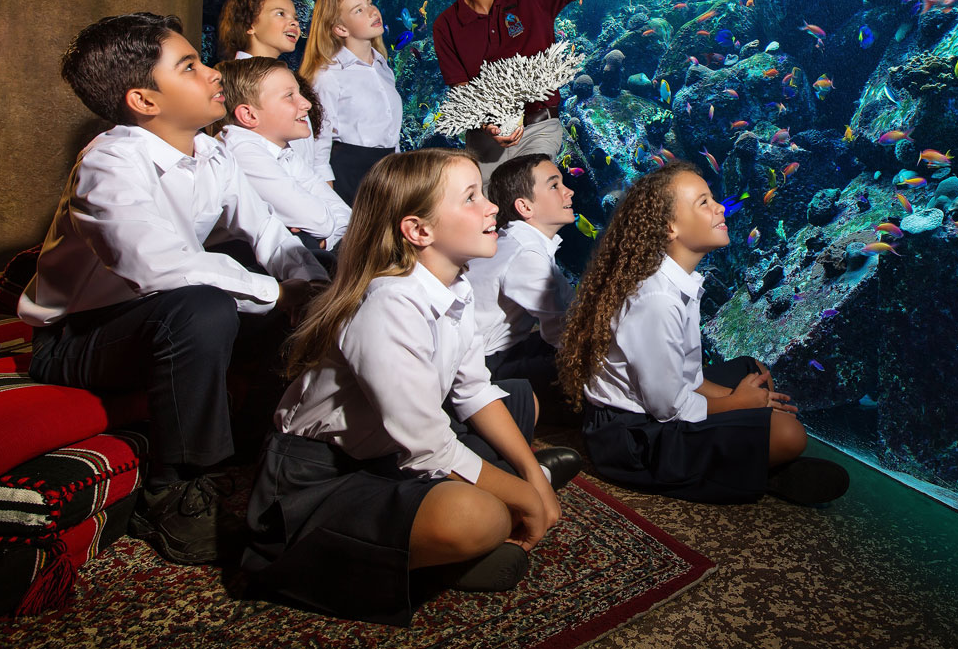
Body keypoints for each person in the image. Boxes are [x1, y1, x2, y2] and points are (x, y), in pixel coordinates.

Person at [18, 12, 329, 565]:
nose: (213, 73)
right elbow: (157, 267)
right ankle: (173, 486)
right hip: (80, 339)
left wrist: (311, 289)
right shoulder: (110, 163)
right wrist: (278, 295)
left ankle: (265, 432)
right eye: (190, 66)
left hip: (156, 314)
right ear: (144, 100)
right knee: (204, 305)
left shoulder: (211, 153)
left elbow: (267, 231)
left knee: (293, 276)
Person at [242, 149, 583, 623]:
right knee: (477, 517)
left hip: (384, 457)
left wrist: (528, 475)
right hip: (317, 477)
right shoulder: (388, 304)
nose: (491, 209)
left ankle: (467, 519)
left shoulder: (453, 288)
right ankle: (424, 554)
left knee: (518, 401)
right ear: (419, 231)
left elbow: (473, 391)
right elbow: (429, 448)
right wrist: (531, 496)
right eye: (471, 198)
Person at [555, 162, 849, 505]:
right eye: (704, 202)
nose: (720, 207)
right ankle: (757, 471)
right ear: (671, 227)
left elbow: (688, 375)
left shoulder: (679, 280)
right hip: (632, 439)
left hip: (656, 408)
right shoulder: (658, 299)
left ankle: (741, 461)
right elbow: (667, 406)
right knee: (789, 434)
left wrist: (738, 401)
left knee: (753, 370)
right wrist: (737, 403)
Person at [431, 0, 686, 186]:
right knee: (488, 208)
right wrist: (487, 124)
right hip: (484, 135)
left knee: (527, 188)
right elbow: (463, 90)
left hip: (539, 125)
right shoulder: (446, 26)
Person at [216, 57, 351, 258]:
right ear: (249, 115)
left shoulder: (284, 152)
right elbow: (319, 221)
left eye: (300, 93)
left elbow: (347, 219)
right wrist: (319, 229)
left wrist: (319, 235)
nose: (306, 104)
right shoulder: (241, 150)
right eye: (290, 96)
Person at [464, 153, 574, 391]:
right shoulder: (525, 251)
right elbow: (563, 333)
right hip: (483, 365)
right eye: (555, 185)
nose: (569, 191)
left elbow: (570, 305)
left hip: (496, 352)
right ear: (524, 207)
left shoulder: (521, 240)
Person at [299, 0, 403, 205]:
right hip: (350, 176)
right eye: (359, 10)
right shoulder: (328, 76)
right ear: (340, 29)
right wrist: (326, 198)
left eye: (370, 3)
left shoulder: (383, 67)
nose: (373, 11)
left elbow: (390, 132)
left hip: (388, 174)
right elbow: (319, 144)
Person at [215, 0, 331, 182]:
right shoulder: (228, 82)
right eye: (280, 14)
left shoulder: (292, 80)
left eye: (295, 17)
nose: (294, 23)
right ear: (250, 25)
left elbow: (315, 157)